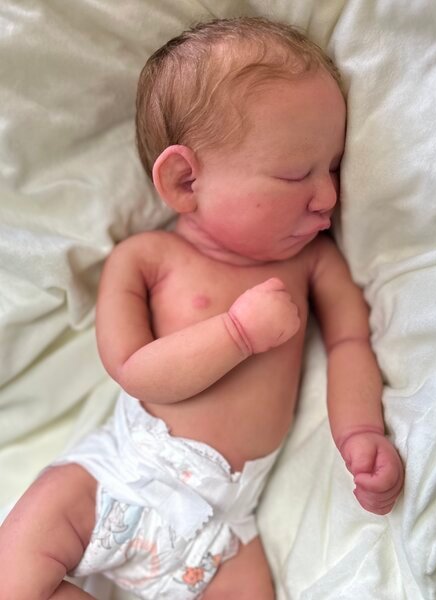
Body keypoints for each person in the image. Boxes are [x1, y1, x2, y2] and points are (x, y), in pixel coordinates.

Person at [0, 17, 404, 600]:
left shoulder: (315, 264)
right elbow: (136, 370)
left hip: (225, 526)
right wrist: (237, 332)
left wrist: (361, 431)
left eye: (334, 167)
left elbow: (350, 344)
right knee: (14, 567)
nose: (329, 196)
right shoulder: (145, 259)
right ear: (186, 181)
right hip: (121, 475)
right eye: (297, 174)